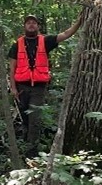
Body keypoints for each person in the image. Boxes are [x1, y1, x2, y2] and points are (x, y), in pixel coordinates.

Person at [8, 11, 83, 155]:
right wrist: (13, 88)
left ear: (38, 26)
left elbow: (66, 34)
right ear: (24, 26)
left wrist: (79, 21)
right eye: (28, 22)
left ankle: (32, 154)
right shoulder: (17, 45)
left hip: (38, 88)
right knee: (25, 120)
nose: (31, 25)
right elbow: (12, 69)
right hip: (21, 87)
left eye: (34, 23)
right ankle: (24, 148)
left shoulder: (45, 41)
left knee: (35, 119)